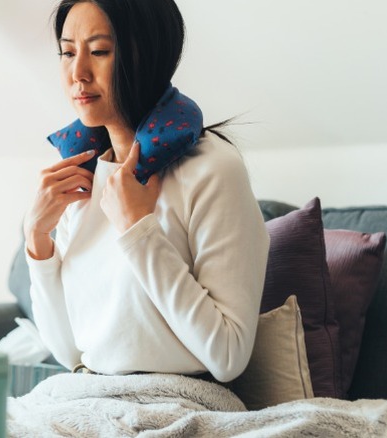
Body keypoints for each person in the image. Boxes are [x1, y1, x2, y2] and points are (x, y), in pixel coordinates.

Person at [22, 0, 270, 382]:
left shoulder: (213, 169)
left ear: (146, 56)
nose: (78, 73)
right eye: (68, 52)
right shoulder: (83, 177)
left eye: (100, 51)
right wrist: (37, 240)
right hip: (89, 397)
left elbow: (227, 355)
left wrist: (138, 230)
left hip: (181, 403)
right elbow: (69, 351)